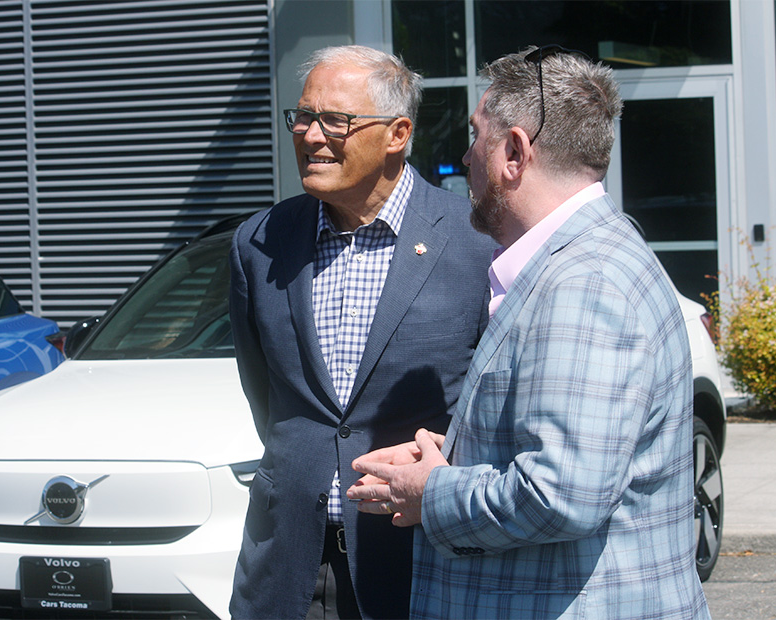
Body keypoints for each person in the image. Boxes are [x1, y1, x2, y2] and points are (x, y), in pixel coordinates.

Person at [347, 46, 710, 619]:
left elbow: (561, 494)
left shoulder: (583, 282)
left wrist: (429, 491)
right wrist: (460, 454)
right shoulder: (590, 259)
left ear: (514, 152)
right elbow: (582, 454)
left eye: (476, 138)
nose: (465, 158)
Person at [228, 45, 495, 620]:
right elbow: (267, 399)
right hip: (290, 564)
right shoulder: (257, 242)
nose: (310, 135)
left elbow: (494, 412)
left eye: (336, 121)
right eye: (302, 116)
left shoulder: (476, 243)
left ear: (397, 133)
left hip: (422, 561)